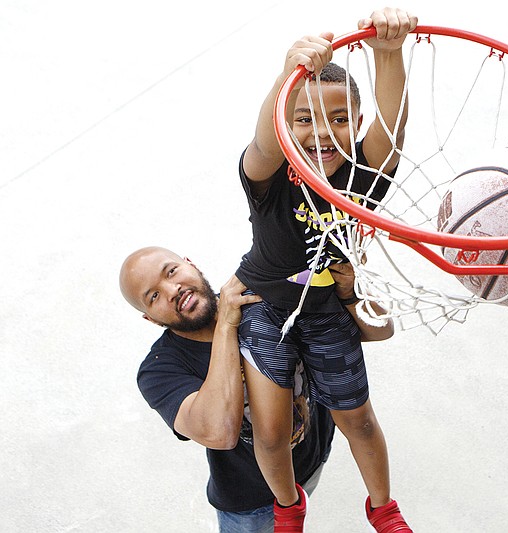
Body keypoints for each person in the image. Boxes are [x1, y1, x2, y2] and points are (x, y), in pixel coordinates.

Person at [233, 7, 416, 532]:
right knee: (270, 432)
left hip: (325, 309)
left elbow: (391, 125)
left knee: (357, 417)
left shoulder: (360, 177)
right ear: (286, 123)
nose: (321, 133)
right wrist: (284, 73)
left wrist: (388, 51)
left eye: (339, 119)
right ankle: (289, 505)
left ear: (356, 124)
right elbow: (265, 139)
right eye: (304, 118)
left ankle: (383, 507)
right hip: (266, 306)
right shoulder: (268, 176)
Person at [120, 246, 390, 532]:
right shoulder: (159, 369)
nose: (171, 290)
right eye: (154, 296)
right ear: (150, 318)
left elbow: (378, 330)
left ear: (191, 264)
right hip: (248, 505)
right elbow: (219, 432)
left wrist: (349, 292)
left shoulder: (260, 295)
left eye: (171, 272)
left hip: (312, 462)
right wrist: (225, 324)